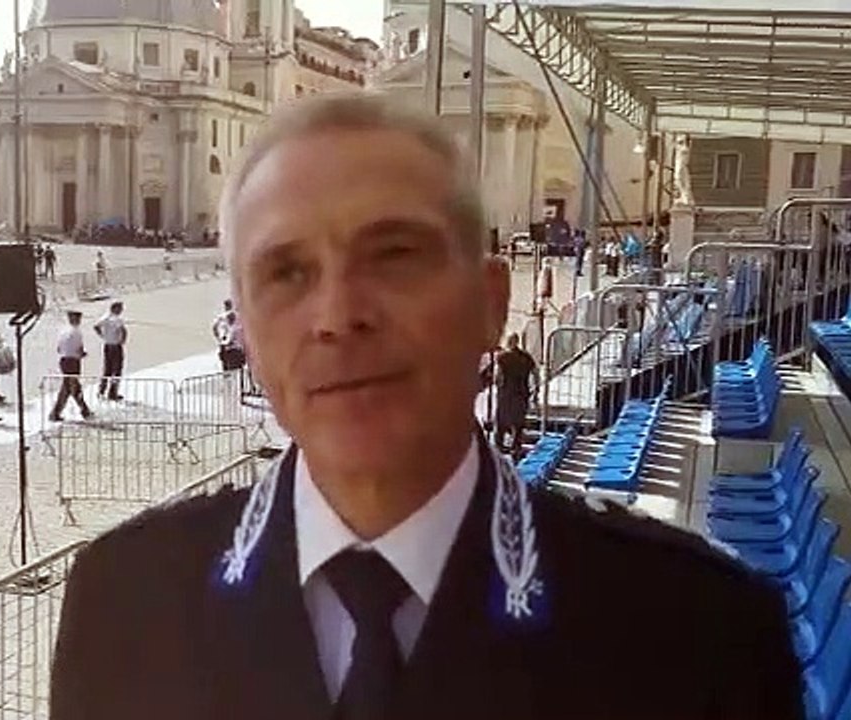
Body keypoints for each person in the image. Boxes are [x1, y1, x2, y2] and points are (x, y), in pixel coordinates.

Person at [50, 92, 801, 720]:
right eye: (286, 272)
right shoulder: (123, 603)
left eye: (395, 255)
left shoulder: (699, 635)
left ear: (491, 302)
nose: (338, 315)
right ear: (243, 328)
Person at [494, 333, 537, 457]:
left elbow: (498, 375)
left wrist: (498, 384)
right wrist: (535, 389)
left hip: (506, 392)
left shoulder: (502, 357)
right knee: (518, 421)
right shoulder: (526, 357)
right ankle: (516, 446)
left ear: (509, 342)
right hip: (521, 392)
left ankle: (499, 445)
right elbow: (535, 372)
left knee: (501, 420)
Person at [49, 309, 93, 423]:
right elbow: (79, 349)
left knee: (68, 387)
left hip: (63, 360)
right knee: (73, 386)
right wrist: (83, 354)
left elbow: (58, 348)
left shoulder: (62, 331)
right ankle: (83, 410)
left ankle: (82, 410)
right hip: (73, 361)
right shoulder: (77, 332)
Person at [93, 302, 127, 401]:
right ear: (115, 308)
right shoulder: (117, 319)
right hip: (116, 346)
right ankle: (113, 393)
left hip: (107, 345)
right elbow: (123, 331)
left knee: (107, 369)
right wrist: (122, 340)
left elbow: (96, 326)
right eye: (120, 308)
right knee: (117, 370)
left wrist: (103, 336)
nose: (121, 311)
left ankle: (101, 390)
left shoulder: (105, 317)